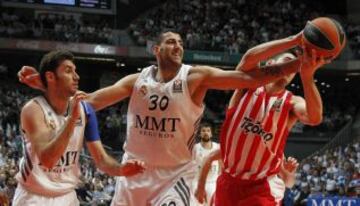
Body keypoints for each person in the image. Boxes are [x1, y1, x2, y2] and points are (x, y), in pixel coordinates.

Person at [19, 31, 309, 206]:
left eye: (181, 42)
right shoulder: (137, 81)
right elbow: (91, 101)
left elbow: (247, 77)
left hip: (173, 176)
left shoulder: (196, 77)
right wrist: (49, 87)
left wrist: (299, 63)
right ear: (155, 50)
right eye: (171, 42)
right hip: (134, 174)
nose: (178, 46)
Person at [13, 50, 145, 206]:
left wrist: (122, 170)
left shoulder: (84, 108)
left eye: (75, 71)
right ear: (50, 76)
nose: (77, 76)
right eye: (69, 71)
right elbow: (48, 160)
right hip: (34, 197)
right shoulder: (34, 109)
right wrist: (72, 118)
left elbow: (102, 160)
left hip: (67, 196)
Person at [214, 50, 328, 206]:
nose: (290, 68)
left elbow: (315, 118)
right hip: (228, 182)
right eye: (287, 62)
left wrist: (307, 76)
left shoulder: (292, 102)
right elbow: (247, 60)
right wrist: (292, 40)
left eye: (294, 68)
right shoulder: (247, 86)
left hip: (261, 187)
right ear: (270, 64)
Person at [194, 148, 299, 206]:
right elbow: (209, 158)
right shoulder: (238, 140)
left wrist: (290, 173)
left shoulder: (274, 148)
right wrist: (200, 186)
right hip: (229, 190)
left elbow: (289, 183)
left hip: (260, 194)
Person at [192, 123, 221, 206]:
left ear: (211, 134)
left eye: (208, 131)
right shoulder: (195, 148)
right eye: (203, 131)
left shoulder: (217, 147)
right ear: (200, 134)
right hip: (197, 181)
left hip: (213, 182)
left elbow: (221, 166)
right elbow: (190, 165)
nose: (206, 133)